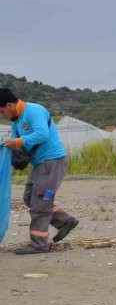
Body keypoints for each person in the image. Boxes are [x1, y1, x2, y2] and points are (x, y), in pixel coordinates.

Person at [0, 89, 79, 254]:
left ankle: (39, 244)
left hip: (51, 162)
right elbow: (18, 146)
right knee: (29, 198)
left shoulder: (34, 111)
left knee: (40, 202)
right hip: (39, 164)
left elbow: (42, 134)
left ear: (9, 105)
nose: (3, 115)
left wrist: (17, 141)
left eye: (2, 111)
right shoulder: (16, 122)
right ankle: (65, 221)